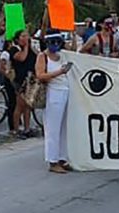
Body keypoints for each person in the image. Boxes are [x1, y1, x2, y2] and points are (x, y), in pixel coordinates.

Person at [36, 31, 73, 173]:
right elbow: (40, 75)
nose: (56, 44)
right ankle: (52, 160)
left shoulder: (62, 55)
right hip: (53, 93)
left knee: (64, 128)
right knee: (53, 128)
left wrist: (73, 35)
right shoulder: (42, 56)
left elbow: (75, 50)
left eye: (58, 41)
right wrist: (59, 72)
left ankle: (62, 158)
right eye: (53, 42)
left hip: (65, 91)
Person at [7, 30, 38, 138]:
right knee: (20, 105)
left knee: (28, 106)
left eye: (27, 36)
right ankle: (16, 129)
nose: (26, 38)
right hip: (20, 81)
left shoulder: (30, 48)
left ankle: (27, 128)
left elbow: (37, 55)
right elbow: (22, 58)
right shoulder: (14, 49)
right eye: (23, 36)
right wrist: (25, 47)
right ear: (17, 39)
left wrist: (31, 46)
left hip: (31, 79)